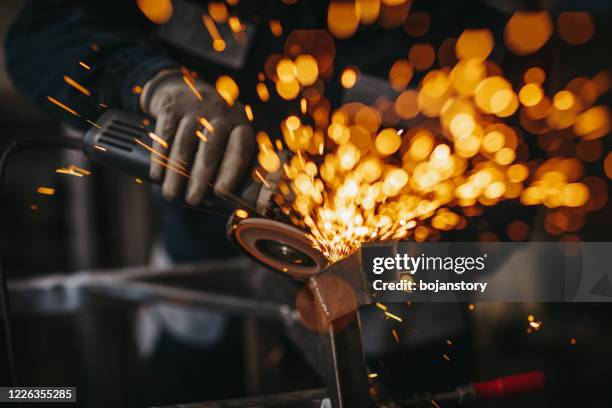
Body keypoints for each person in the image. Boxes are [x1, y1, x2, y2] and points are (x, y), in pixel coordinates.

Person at [5, 0, 518, 404]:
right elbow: (40, 31)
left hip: (398, 313)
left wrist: (410, 253)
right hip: (202, 292)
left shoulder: (464, 25)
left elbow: (524, 199)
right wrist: (156, 82)